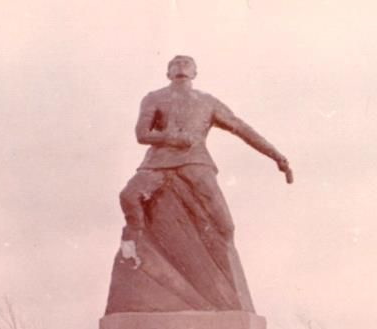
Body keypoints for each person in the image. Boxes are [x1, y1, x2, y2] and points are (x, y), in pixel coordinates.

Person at [118, 54, 291, 255]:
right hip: (157, 163)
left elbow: (242, 128)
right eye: (175, 64)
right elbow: (142, 134)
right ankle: (136, 243)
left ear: (195, 73)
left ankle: (224, 265)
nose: (181, 66)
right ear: (168, 73)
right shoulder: (154, 98)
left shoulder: (207, 102)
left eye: (186, 63)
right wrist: (172, 138)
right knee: (129, 196)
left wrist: (276, 155)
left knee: (224, 223)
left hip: (195, 162)